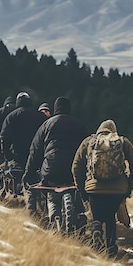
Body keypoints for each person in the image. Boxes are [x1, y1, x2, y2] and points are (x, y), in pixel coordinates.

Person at [72, 119, 133, 258]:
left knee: (96, 216)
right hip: (117, 190)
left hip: (93, 189)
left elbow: (76, 167)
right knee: (110, 217)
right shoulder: (122, 142)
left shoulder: (89, 142)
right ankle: (111, 248)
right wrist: (128, 187)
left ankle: (96, 229)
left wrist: (82, 190)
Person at [23, 96, 88, 225]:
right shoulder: (79, 125)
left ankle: (54, 220)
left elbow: (34, 151)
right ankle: (79, 217)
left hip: (50, 169)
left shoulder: (46, 124)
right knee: (75, 191)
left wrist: (28, 173)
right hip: (72, 171)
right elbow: (87, 150)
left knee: (52, 196)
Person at [0, 92, 47, 195]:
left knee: (15, 177)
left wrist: (8, 156)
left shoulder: (11, 117)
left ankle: (15, 194)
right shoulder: (40, 116)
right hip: (36, 156)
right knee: (34, 179)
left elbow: (5, 138)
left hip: (17, 156)